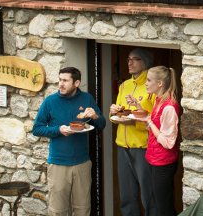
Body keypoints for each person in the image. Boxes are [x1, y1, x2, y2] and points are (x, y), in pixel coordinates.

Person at [33, 67, 102, 216]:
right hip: (58, 164)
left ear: (76, 83)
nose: (61, 84)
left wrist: (95, 116)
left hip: (82, 164)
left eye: (65, 80)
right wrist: (59, 130)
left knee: (83, 210)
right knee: (58, 211)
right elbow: (37, 129)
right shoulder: (50, 101)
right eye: (60, 80)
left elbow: (101, 125)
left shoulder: (87, 99)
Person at [109, 48, 156, 216]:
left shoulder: (152, 86)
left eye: (135, 59)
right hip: (122, 147)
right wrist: (113, 111)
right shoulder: (124, 86)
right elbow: (117, 115)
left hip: (143, 148)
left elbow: (155, 121)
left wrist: (135, 122)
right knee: (127, 197)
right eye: (129, 59)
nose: (129, 62)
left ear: (145, 63)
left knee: (149, 196)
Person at [143, 65, 180, 216]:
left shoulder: (169, 107)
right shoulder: (158, 100)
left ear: (159, 84)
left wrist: (150, 123)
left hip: (163, 163)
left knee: (164, 208)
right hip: (154, 159)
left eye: (148, 80)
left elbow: (168, 142)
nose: (145, 83)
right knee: (159, 204)